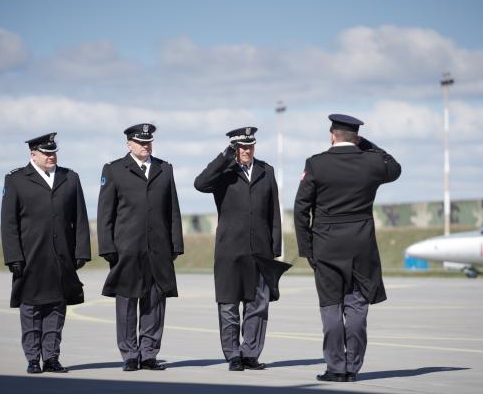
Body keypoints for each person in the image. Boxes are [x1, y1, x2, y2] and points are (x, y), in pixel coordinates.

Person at [293, 114, 401, 382]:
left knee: (330, 306)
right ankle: (352, 367)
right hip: (361, 244)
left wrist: (307, 249)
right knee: (356, 305)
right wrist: (367, 145)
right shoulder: (372, 162)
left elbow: (301, 210)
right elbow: (395, 167)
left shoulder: (316, 165)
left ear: (332, 135)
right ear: (357, 137)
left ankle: (335, 367)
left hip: (326, 244)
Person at [194, 127, 290, 371]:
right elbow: (200, 183)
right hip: (229, 250)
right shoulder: (222, 172)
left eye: (250, 146)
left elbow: (274, 213)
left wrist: (275, 247)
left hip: (260, 250)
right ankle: (233, 354)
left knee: (258, 304)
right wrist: (225, 156)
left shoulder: (266, 171)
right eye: (241, 147)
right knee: (228, 305)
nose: (246, 150)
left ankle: (251, 354)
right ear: (234, 148)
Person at [1, 132, 91, 374]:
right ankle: (33, 358)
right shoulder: (17, 180)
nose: (51, 156)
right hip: (30, 257)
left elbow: (80, 218)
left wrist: (81, 251)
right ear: (33, 154)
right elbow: (9, 223)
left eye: (54, 152)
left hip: (61, 256)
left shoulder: (70, 178)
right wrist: (13, 257)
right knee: (30, 309)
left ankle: (51, 357)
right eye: (46, 153)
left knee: (56, 308)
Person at [97, 123, 183, 372]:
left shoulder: (164, 169)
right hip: (126, 249)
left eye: (148, 141)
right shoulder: (114, 170)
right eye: (140, 141)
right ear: (129, 144)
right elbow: (105, 213)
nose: (146, 145)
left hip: (158, 249)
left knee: (155, 304)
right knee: (126, 304)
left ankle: (148, 354)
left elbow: (173, 210)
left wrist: (175, 244)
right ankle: (130, 355)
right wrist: (107, 248)